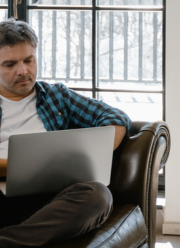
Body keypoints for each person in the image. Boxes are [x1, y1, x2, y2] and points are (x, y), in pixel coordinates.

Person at [0, 18, 131, 247]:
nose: (23, 71)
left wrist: (94, 153)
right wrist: (15, 166)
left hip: (52, 202)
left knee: (98, 195)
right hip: (2, 198)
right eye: (10, 65)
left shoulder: (56, 97)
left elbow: (116, 118)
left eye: (29, 60)